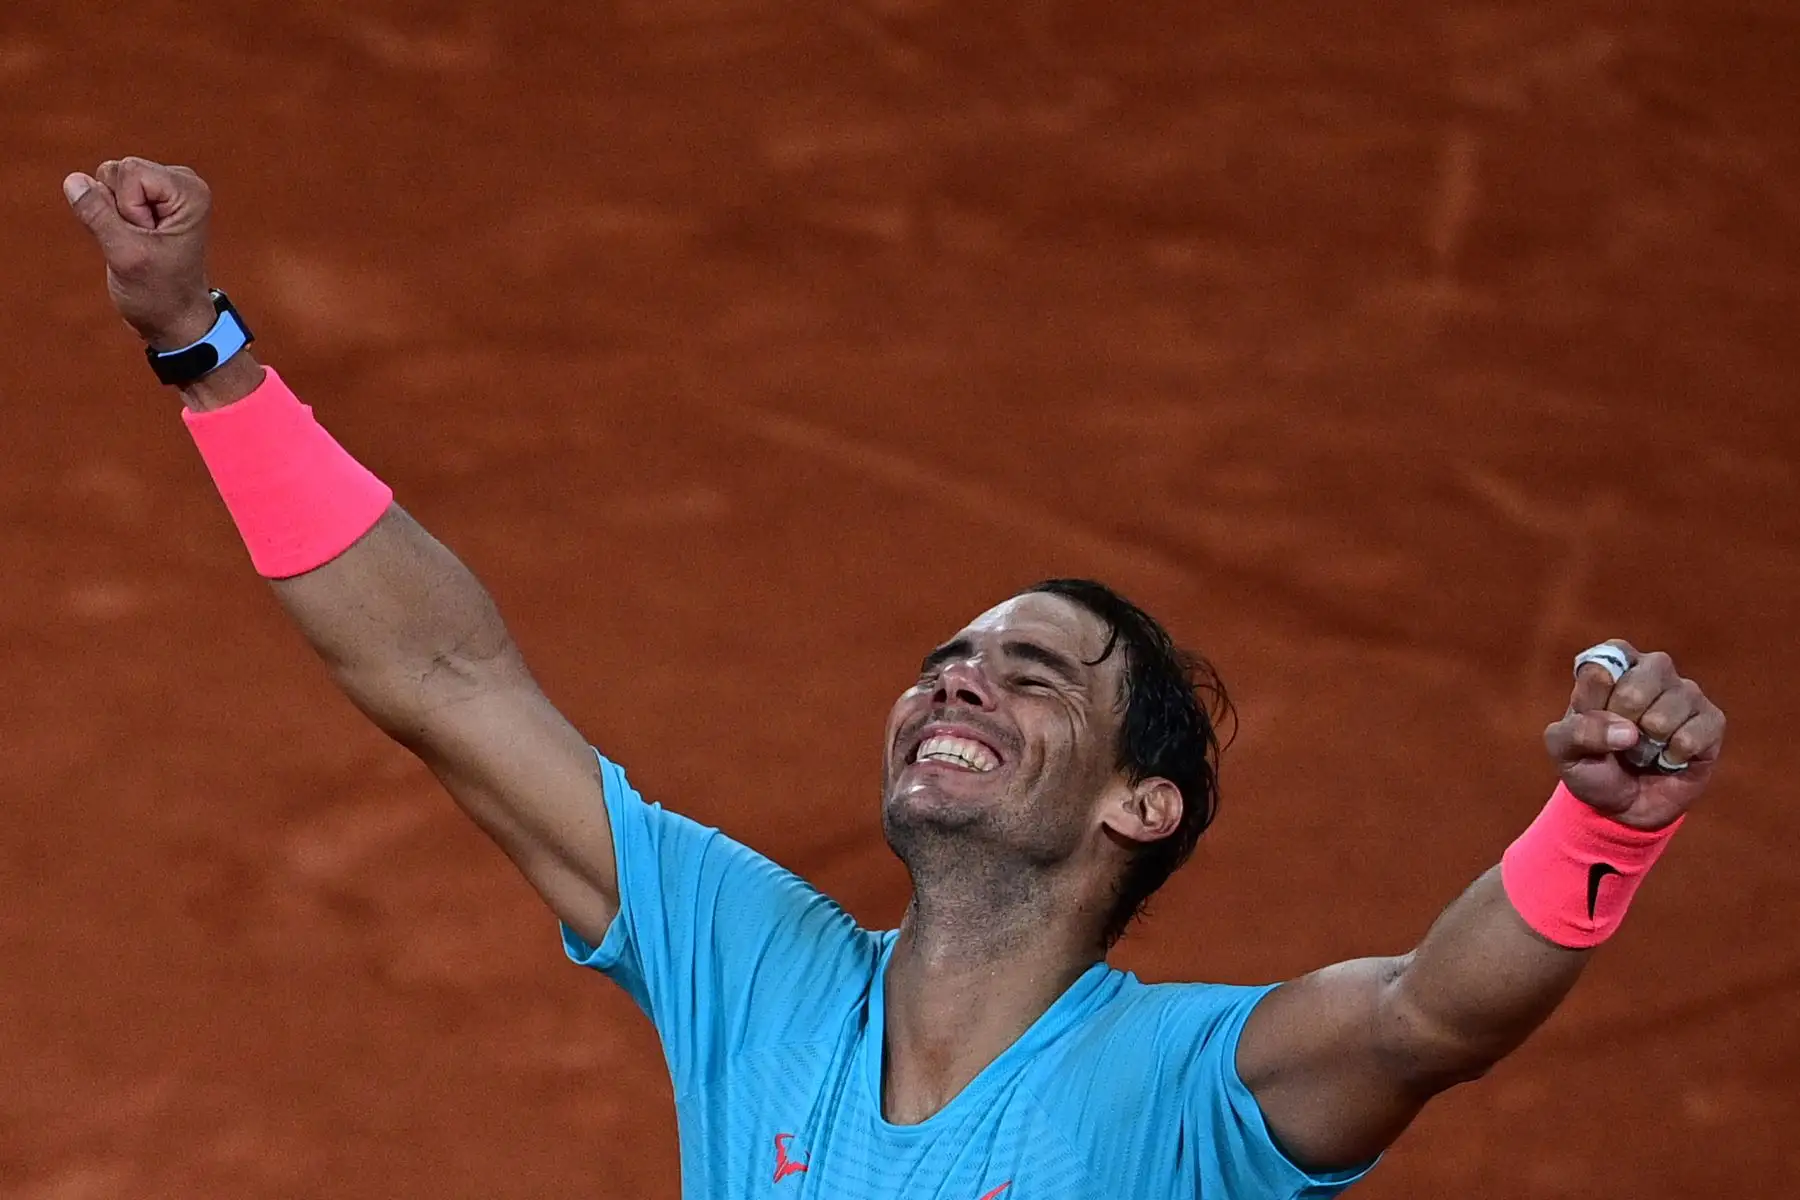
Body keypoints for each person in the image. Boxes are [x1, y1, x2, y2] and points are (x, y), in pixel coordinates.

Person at [63, 157, 1728, 1200]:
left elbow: (1436, 1010)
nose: (958, 683)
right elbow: (440, 671)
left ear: (1141, 805)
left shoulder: (1190, 1090)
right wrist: (204, 350)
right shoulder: (755, 970)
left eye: (1033, 674)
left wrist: (1609, 832)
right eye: (946, 662)